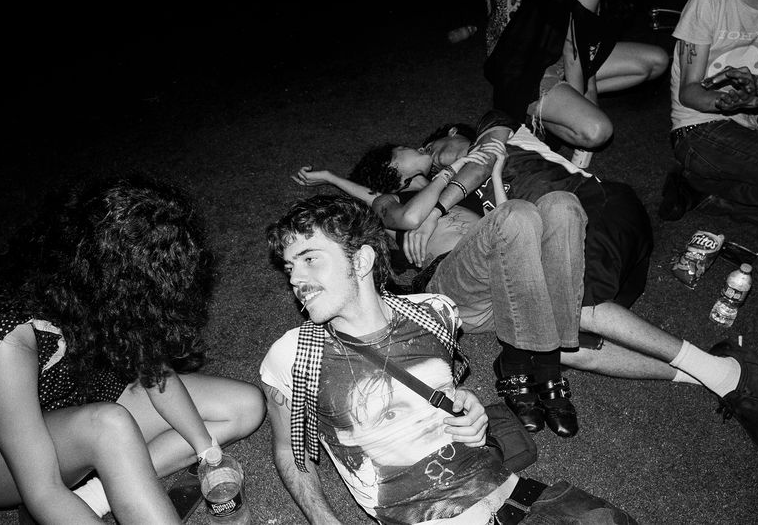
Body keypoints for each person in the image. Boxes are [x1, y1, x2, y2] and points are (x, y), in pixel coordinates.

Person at [292, 118, 758, 461]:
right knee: (562, 300)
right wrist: (337, 177)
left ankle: (710, 372)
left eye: (426, 149)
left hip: (511, 262)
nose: (420, 156)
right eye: (410, 159)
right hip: (453, 285)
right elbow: (391, 205)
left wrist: (485, 169)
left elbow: (509, 209)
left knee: (553, 213)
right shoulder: (396, 203)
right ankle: (722, 372)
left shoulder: (476, 169)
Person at [260, 194, 637, 524]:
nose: (296, 279)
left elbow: (442, 391)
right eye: (291, 267)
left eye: (310, 258)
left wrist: (469, 408)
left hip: (520, 495)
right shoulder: (292, 356)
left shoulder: (435, 313)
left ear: (361, 262)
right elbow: (286, 449)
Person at [0, 177, 266, 522]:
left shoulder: (98, 290)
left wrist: (208, 452)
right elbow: (42, 488)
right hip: (11, 454)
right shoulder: (10, 337)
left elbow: (156, 376)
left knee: (244, 406)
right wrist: (49, 498)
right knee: (108, 425)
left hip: (82, 396)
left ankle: (96, 491)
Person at [658, 0, 758, 228]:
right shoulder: (708, 1)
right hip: (697, 131)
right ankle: (705, 189)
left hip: (749, 129)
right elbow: (690, 93)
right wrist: (731, 100)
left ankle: (708, 194)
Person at [484, 0, 669, 166]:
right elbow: (573, 48)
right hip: (527, 63)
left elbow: (587, 39)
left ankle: (559, 104)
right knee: (597, 131)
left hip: (557, 48)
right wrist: (586, 96)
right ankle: (532, 109)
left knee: (657, 61)